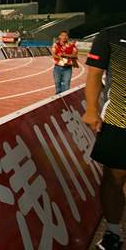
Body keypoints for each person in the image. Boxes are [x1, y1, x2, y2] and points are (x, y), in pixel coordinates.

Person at [82, 22, 126, 250]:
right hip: (119, 118)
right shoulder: (111, 35)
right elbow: (94, 74)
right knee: (114, 179)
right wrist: (91, 108)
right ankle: (113, 232)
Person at [51, 30, 79, 94]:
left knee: (66, 84)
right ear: (59, 36)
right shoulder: (55, 45)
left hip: (68, 67)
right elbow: (53, 54)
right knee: (57, 83)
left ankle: (64, 97)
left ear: (68, 37)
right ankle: (58, 96)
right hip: (58, 67)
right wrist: (60, 58)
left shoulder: (72, 45)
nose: (64, 37)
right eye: (63, 35)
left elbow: (74, 55)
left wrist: (64, 55)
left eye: (66, 35)